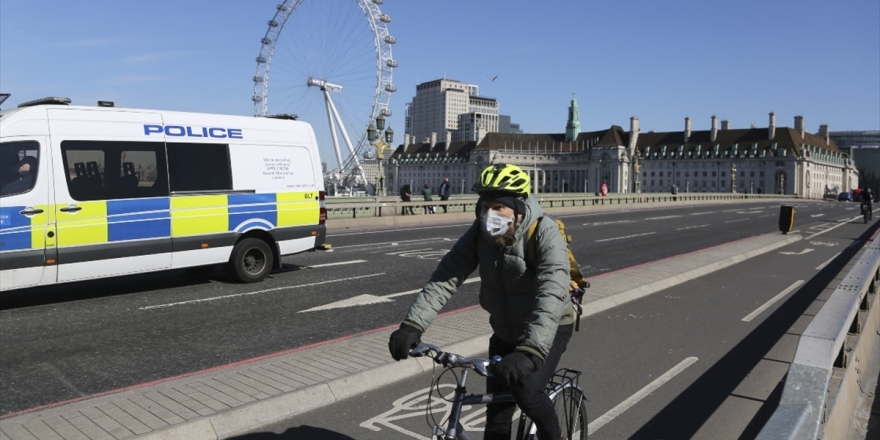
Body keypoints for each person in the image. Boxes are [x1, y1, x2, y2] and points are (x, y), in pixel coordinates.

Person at [388, 163, 574, 440]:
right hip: (504, 329)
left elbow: (552, 293)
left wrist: (531, 352)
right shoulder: (480, 233)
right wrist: (412, 326)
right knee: (497, 417)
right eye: (485, 206)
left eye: (498, 207)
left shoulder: (544, 233)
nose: (490, 214)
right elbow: (447, 276)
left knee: (527, 393)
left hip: (549, 328)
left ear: (518, 207)